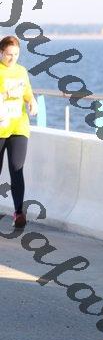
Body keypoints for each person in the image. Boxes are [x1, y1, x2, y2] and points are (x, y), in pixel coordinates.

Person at [0, 36, 38, 228]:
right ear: (1, 52)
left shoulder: (21, 71)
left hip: (19, 126)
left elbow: (27, 92)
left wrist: (32, 101)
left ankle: (18, 213)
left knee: (17, 168)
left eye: (16, 54)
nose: (12, 58)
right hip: (0, 128)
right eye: (9, 54)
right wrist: (7, 94)